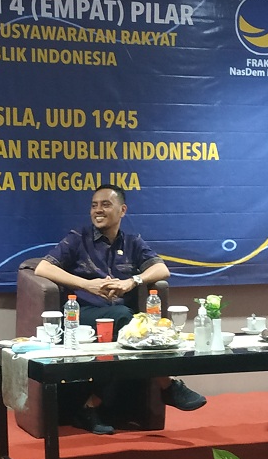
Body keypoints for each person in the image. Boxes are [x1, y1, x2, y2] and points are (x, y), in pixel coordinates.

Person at [35, 184, 206, 435]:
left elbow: (162, 269)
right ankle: (167, 385)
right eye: (94, 205)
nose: (98, 210)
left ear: (122, 210)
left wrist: (132, 281)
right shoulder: (78, 238)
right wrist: (87, 285)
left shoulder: (133, 242)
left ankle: (90, 406)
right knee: (129, 322)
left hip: (120, 316)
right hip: (83, 315)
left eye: (105, 204)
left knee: (135, 324)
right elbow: (43, 268)